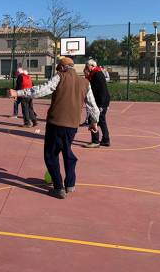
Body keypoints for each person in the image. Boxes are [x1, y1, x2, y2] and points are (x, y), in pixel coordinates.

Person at [9, 57, 100, 199]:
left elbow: (41, 90)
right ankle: (70, 183)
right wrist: (94, 121)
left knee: (51, 155)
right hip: (72, 125)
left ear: (63, 67)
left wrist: (18, 93)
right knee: (66, 149)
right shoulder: (85, 82)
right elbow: (92, 104)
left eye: (59, 68)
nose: (58, 70)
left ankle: (58, 187)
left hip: (56, 123)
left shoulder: (60, 77)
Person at [83, 59, 111, 148]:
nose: (86, 68)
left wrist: (101, 105)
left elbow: (101, 90)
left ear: (92, 66)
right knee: (102, 121)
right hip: (102, 101)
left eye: (87, 66)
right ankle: (106, 140)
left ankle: (95, 141)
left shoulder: (97, 74)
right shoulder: (96, 73)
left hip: (100, 102)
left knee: (93, 119)